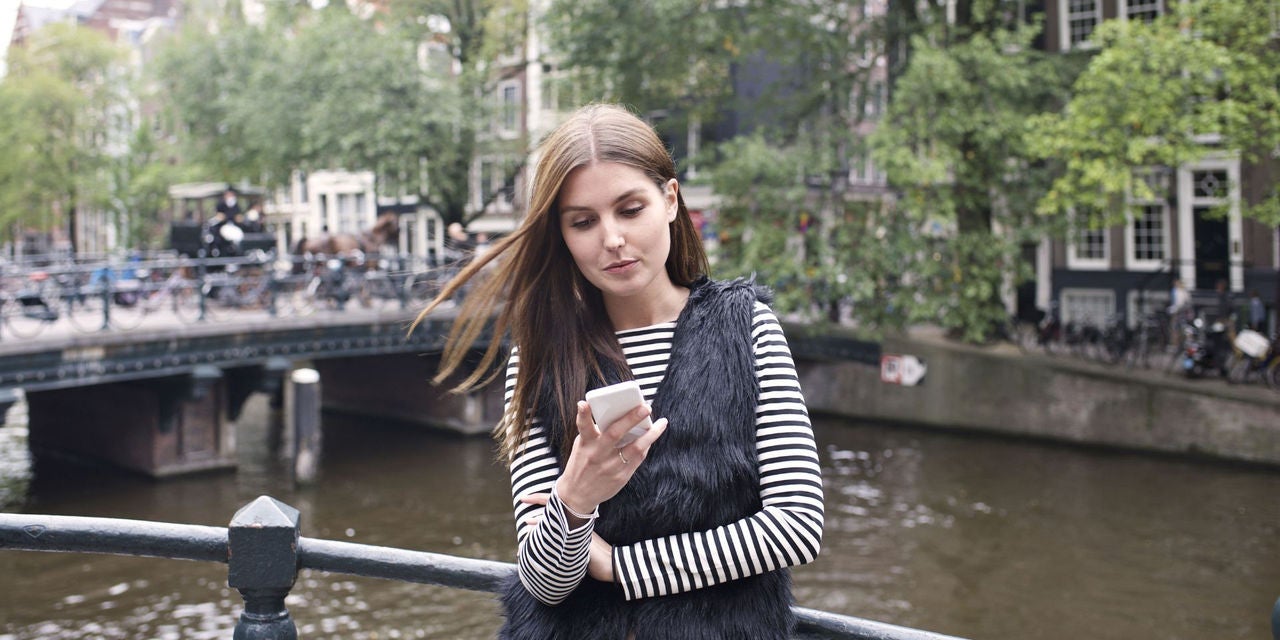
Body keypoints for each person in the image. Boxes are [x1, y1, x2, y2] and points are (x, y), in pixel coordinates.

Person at [411, 103, 824, 639]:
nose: (611, 239)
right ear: (562, 235)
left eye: (630, 210)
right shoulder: (539, 356)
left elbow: (796, 527)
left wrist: (617, 567)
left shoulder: (747, 326)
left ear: (671, 200)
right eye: (583, 222)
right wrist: (576, 498)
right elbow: (544, 583)